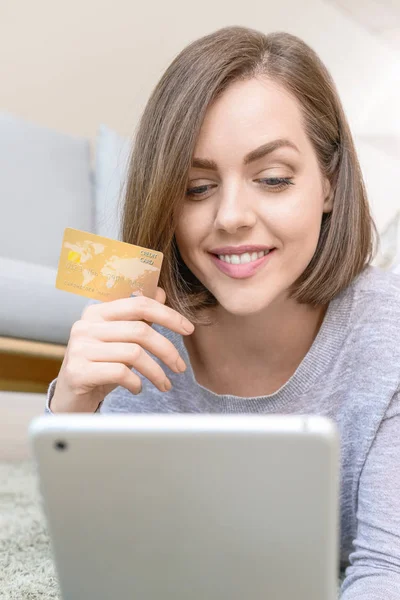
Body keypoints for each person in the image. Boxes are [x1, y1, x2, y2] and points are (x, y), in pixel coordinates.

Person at [45, 26, 400, 597]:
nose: (232, 215)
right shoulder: (135, 331)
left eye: (273, 179)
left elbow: (388, 569)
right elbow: (108, 555)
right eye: (196, 187)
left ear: (329, 184)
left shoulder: (388, 337)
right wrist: (70, 412)